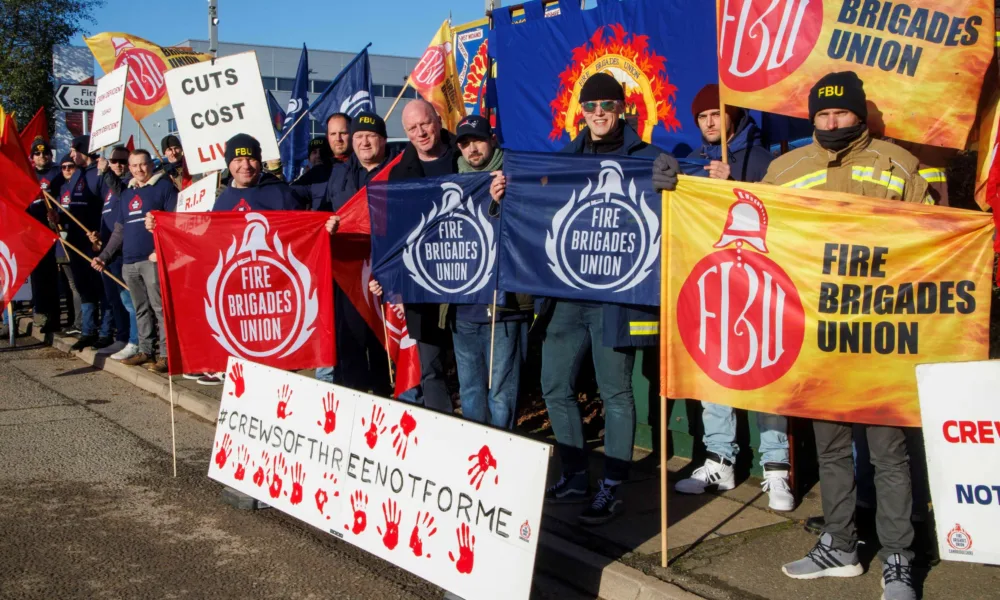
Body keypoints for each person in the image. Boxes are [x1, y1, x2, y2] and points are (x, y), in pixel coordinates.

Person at [763, 72, 926, 600]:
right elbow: (745, 221)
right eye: (823, 115)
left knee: (888, 450)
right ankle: (840, 545)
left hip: (880, 332)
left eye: (842, 114)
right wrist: (683, 189)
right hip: (816, 332)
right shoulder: (784, 169)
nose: (832, 123)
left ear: (861, 115)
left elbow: (933, 240)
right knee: (830, 447)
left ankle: (899, 556)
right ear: (812, 118)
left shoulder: (899, 163)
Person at [534, 73, 669, 525]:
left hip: (618, 297)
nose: (598, 113)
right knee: (555, 384)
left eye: (606, 105)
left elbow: (679, 212)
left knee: (616, 392)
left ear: (621, 109)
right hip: (567, 295)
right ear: (581, 111)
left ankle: (611, 485)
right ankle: (574, 474)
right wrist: (504, 196)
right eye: (590, 106)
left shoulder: (649, 159)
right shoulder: (563, 160)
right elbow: (535, 212)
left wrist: (678, 186)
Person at [673, 85, 794, 512]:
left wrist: (735, 184)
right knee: (714, 373)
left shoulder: (762, 161)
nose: (709, 122)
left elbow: (781, 218)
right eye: (702, 116)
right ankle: (719, 459)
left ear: (733, 117)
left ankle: (776, 468)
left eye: (716, 114)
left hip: (760, 288)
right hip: (713, 288)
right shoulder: (694, 162)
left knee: (767, 377)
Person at [145, 133, 337, 385]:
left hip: (278, 299)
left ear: (260, 161)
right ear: (228, 164)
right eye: (237, 159)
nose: (245, 165)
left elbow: (304, 239)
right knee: (248, 377)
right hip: (240, 301)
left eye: (251, 159)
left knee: (279, 372)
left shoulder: (281, 194)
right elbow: (206, 245)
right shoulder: (222, 201)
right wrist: (159, 231)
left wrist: (324, 229)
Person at [369, 100, 460, 415]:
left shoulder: (464, 156)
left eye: (425, 123)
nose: (421, 132)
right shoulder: (399, 174)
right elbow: (393, 233)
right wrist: (386, 277)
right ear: (405, 133)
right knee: (431, 367)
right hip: (421, 287)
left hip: (467, 280)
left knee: (471, 368)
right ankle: (444, 426)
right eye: (412, 128)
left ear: (437, 118)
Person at [450, 115, 529, 429]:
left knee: (501, 395)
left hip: (502, 308)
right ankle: (475, 456)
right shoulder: (451, 180)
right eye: (465, 143)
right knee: (469, 392)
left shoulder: (515, 174)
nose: (472, 149)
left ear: (491, 140)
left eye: (478, 140)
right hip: (462, 308)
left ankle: (502, 457)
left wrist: (502, 203)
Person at [314, 112, 394, 395]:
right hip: (349, 276)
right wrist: (327, 224)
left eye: (370, 136)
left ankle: (388, 407)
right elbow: (320, 214)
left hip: (387, 275)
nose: (364, 142)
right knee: (351, 351)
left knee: (385, 350)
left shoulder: (398, 171)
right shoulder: (339, 175)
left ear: (383, 140)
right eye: (358, 136)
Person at [92, 149, 177, 373]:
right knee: (140, 309)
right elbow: (119, 230)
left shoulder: (164, 187)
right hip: (129, 261)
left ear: (151, 164)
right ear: (129, 169)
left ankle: (167, 355)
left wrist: (161, 250)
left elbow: (175, 222)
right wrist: (104, 256)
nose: (139, 169)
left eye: (143, 164)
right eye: (134, 166)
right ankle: (146, 350)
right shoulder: (127, 193)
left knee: (161, 309)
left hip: (153, 259)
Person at [86, 145, 139, 358]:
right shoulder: (109, 191)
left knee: (130, 301)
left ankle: (134, 342)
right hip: (107, 253)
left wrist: (106, 172)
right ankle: (122, 338)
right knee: (114, 300)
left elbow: (124, 218)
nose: (118, 164)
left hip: (123, 252)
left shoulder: (128, 186)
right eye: (114, 161)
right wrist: (97, 237)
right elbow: (108, 219)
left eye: (122, 161)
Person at [63, 135, 110, 352]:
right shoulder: (75, 175)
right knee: (83, 287)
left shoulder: (98, 174)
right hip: (75, 240)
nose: (72, 155)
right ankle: (87, 331)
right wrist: (58, 217)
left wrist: (100, 234)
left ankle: (106, 332)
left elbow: (108, 209)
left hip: (95, 242)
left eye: (75, 150)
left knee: (101, 287)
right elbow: (72, 208)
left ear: (85, 150)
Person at [27, 137, 62, 332]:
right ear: (32, 157)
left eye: (45, 153)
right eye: (38, 153)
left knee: (57, 277)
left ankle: (57, 318)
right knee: (40, 277)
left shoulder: (57, 172)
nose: (42, 156)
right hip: (34, 233)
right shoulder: (28, 175)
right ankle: (44, 314)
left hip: (54, 231)